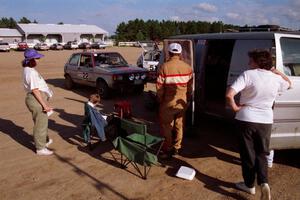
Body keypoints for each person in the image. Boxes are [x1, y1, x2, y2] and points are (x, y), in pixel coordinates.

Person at [226, 49, 291, 200]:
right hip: (266, 120)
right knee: (262, 153)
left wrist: (235, 108)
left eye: (251, 60)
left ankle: (249, 185)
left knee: (248, 154)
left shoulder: (248, 74)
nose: (249, 63)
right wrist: (277, 71)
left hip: (246, 119)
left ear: (257, 62)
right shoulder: (275, 78)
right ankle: (264, 183)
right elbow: (288, 83)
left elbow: (229, 94)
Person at [156, 43, 193, 158]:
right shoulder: (188, 67)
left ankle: (168, 148)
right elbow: (190, 88)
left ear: (169, 53)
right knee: (179, 125)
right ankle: (177, 147)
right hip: (182, 101)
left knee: (167, 125)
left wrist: (160, 100)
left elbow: (160, 88)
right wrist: (187, 98)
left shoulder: (164, 67)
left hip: (168, 101)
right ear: (180, 53)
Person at [22, 48, 54, 156]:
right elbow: (35, 90)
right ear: (31, 59)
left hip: (36, 98)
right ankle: (40, 148)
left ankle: (44, 140)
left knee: (41, 122)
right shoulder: (30, 72)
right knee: (40, 124)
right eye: (37, 58)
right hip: (36, 99)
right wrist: (45, 105)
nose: (39, 60)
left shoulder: (29, 70)